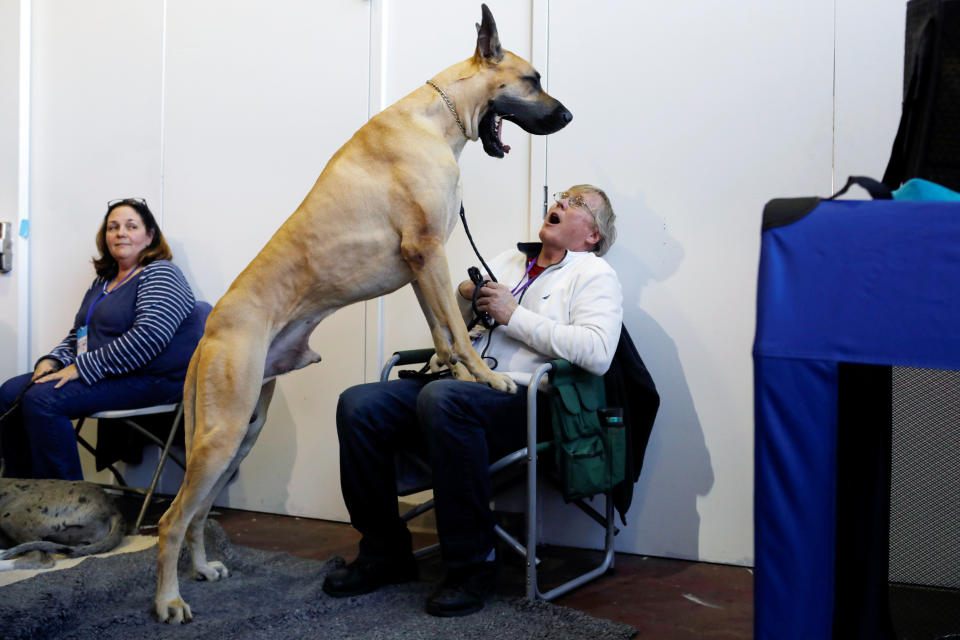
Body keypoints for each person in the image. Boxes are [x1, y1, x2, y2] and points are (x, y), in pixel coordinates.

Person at [325, 184, 623, 617]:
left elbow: (597, 353)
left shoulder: (593, 275)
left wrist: (513, 314)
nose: (559, 203)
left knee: (444, 399)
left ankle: (472, 566)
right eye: (560, 196)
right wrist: (462, 299)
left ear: (593, 234)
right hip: (459, 383)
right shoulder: (508, 260)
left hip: (528, 401)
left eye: (575, 203)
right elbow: (464, 329)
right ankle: (384, 553)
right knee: (359, 404)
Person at [0, 198, 199, 480]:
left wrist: (80, 369)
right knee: (10, 392)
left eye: (131, 226)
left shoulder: (161, 273)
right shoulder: (103, 282)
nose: (120, 233)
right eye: (113, 227)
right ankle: (20, 492)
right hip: (106, 373)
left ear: (149, 236)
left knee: (43, 400)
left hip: (152, 378)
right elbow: (80, 335)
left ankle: (65, 507)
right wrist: (52, 360)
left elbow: (150, 337)